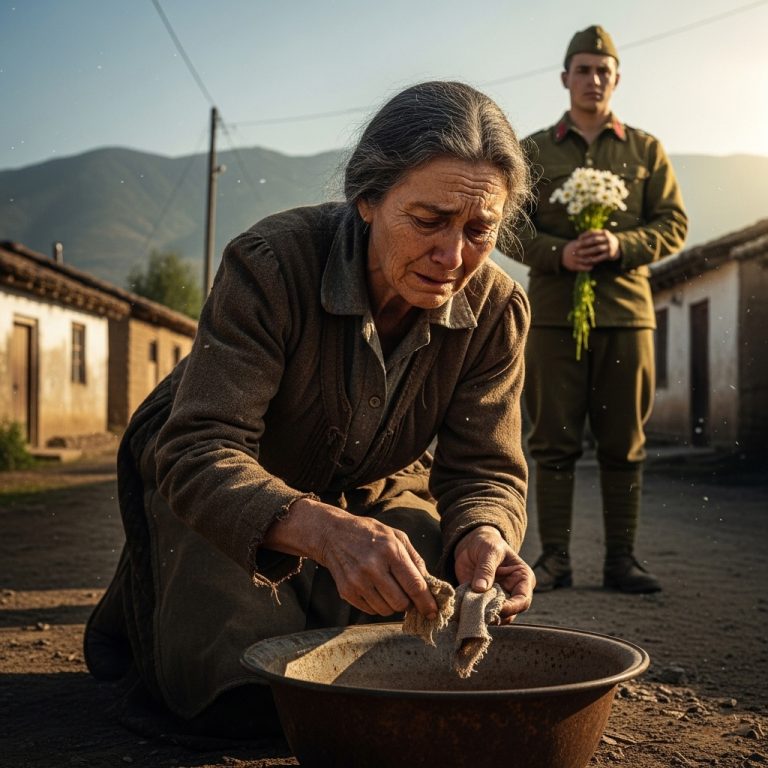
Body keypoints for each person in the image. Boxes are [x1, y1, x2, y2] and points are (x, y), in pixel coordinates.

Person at [84, 80, 535, 737]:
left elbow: (483, 472)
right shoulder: (272, 264)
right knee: (241, 680)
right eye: (430, 220)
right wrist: (325, 531)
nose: (453, 256)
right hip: (226, 468)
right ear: (367, 200)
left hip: (367, 479)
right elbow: (200, 448)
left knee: (426, 581)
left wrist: (484, 535)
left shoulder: (496, 311)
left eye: (479, 230)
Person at [511, 26, 688, 594]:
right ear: (565, 77)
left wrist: (622, 245)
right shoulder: (535, 150)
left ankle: (622, 561)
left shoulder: (645, 149)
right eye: (582, 69)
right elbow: (508, 227)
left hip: (626, 313)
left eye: (603, 71)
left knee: (623, 441)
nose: (593, 80)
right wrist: (558, 254)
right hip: (556, 315)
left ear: (616, 79)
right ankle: (555, 560)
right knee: (552, 439)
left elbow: (674, 224)